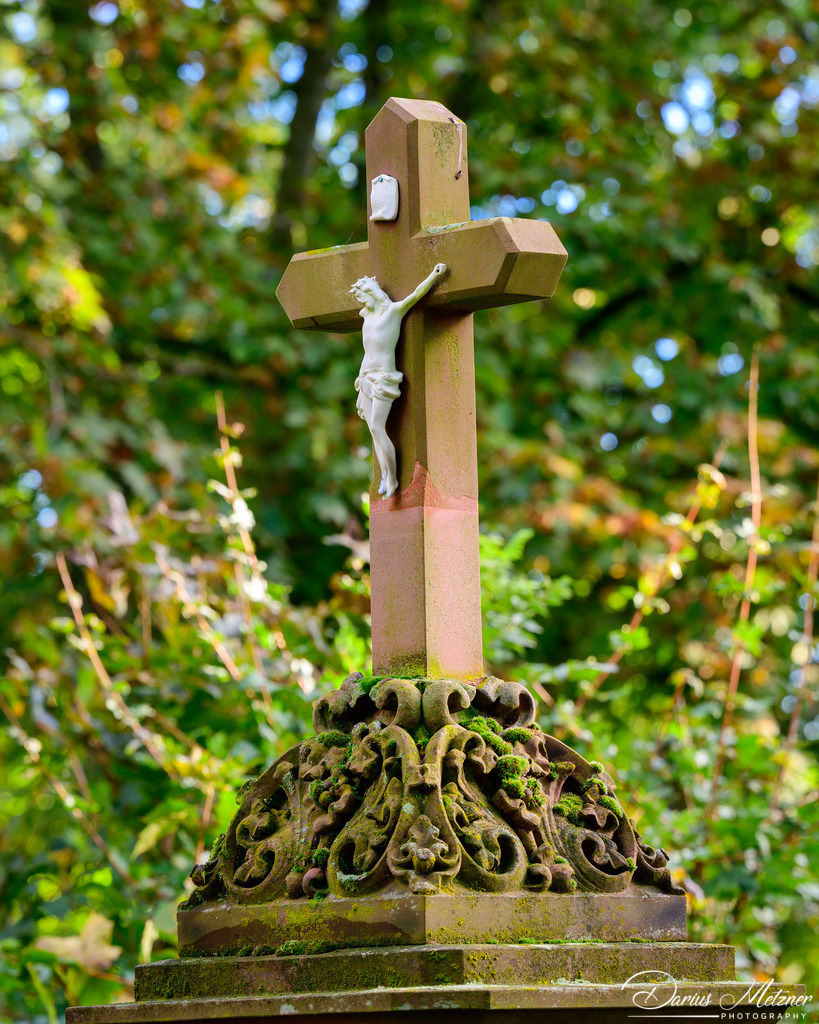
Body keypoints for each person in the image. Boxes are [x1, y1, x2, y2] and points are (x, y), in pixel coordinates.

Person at [351, 263, 447, 498]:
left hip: (383, 378)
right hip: (365, 378)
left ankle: (392, 479)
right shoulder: (366, 315)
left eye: (364, 297)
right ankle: (384, 476)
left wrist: (433, 276)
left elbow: (416, 294)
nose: (363, 304)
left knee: (377, 426)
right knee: (374, 431)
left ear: (373, 293)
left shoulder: (394, 311)